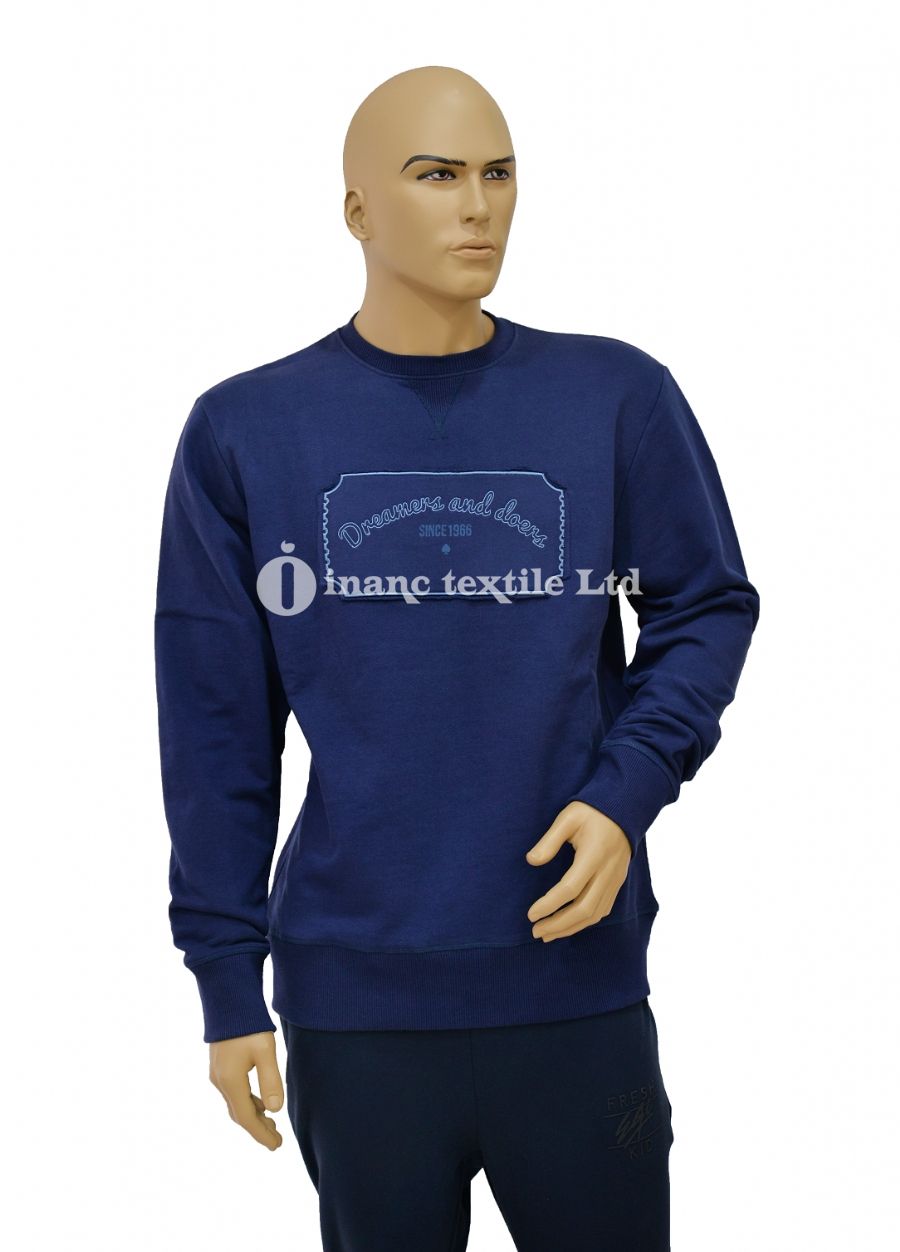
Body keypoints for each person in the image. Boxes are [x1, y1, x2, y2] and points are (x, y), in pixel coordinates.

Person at [154, 64, 760, 1251]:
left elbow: (705, 606)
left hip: (576, 987)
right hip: (357, 1010)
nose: (478, 205)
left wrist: (625, 789)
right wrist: (227, 985)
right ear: (358, 209)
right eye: (436, 175)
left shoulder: (615, 397)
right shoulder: (247, 430)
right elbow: (215, 726)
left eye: (498, 173)